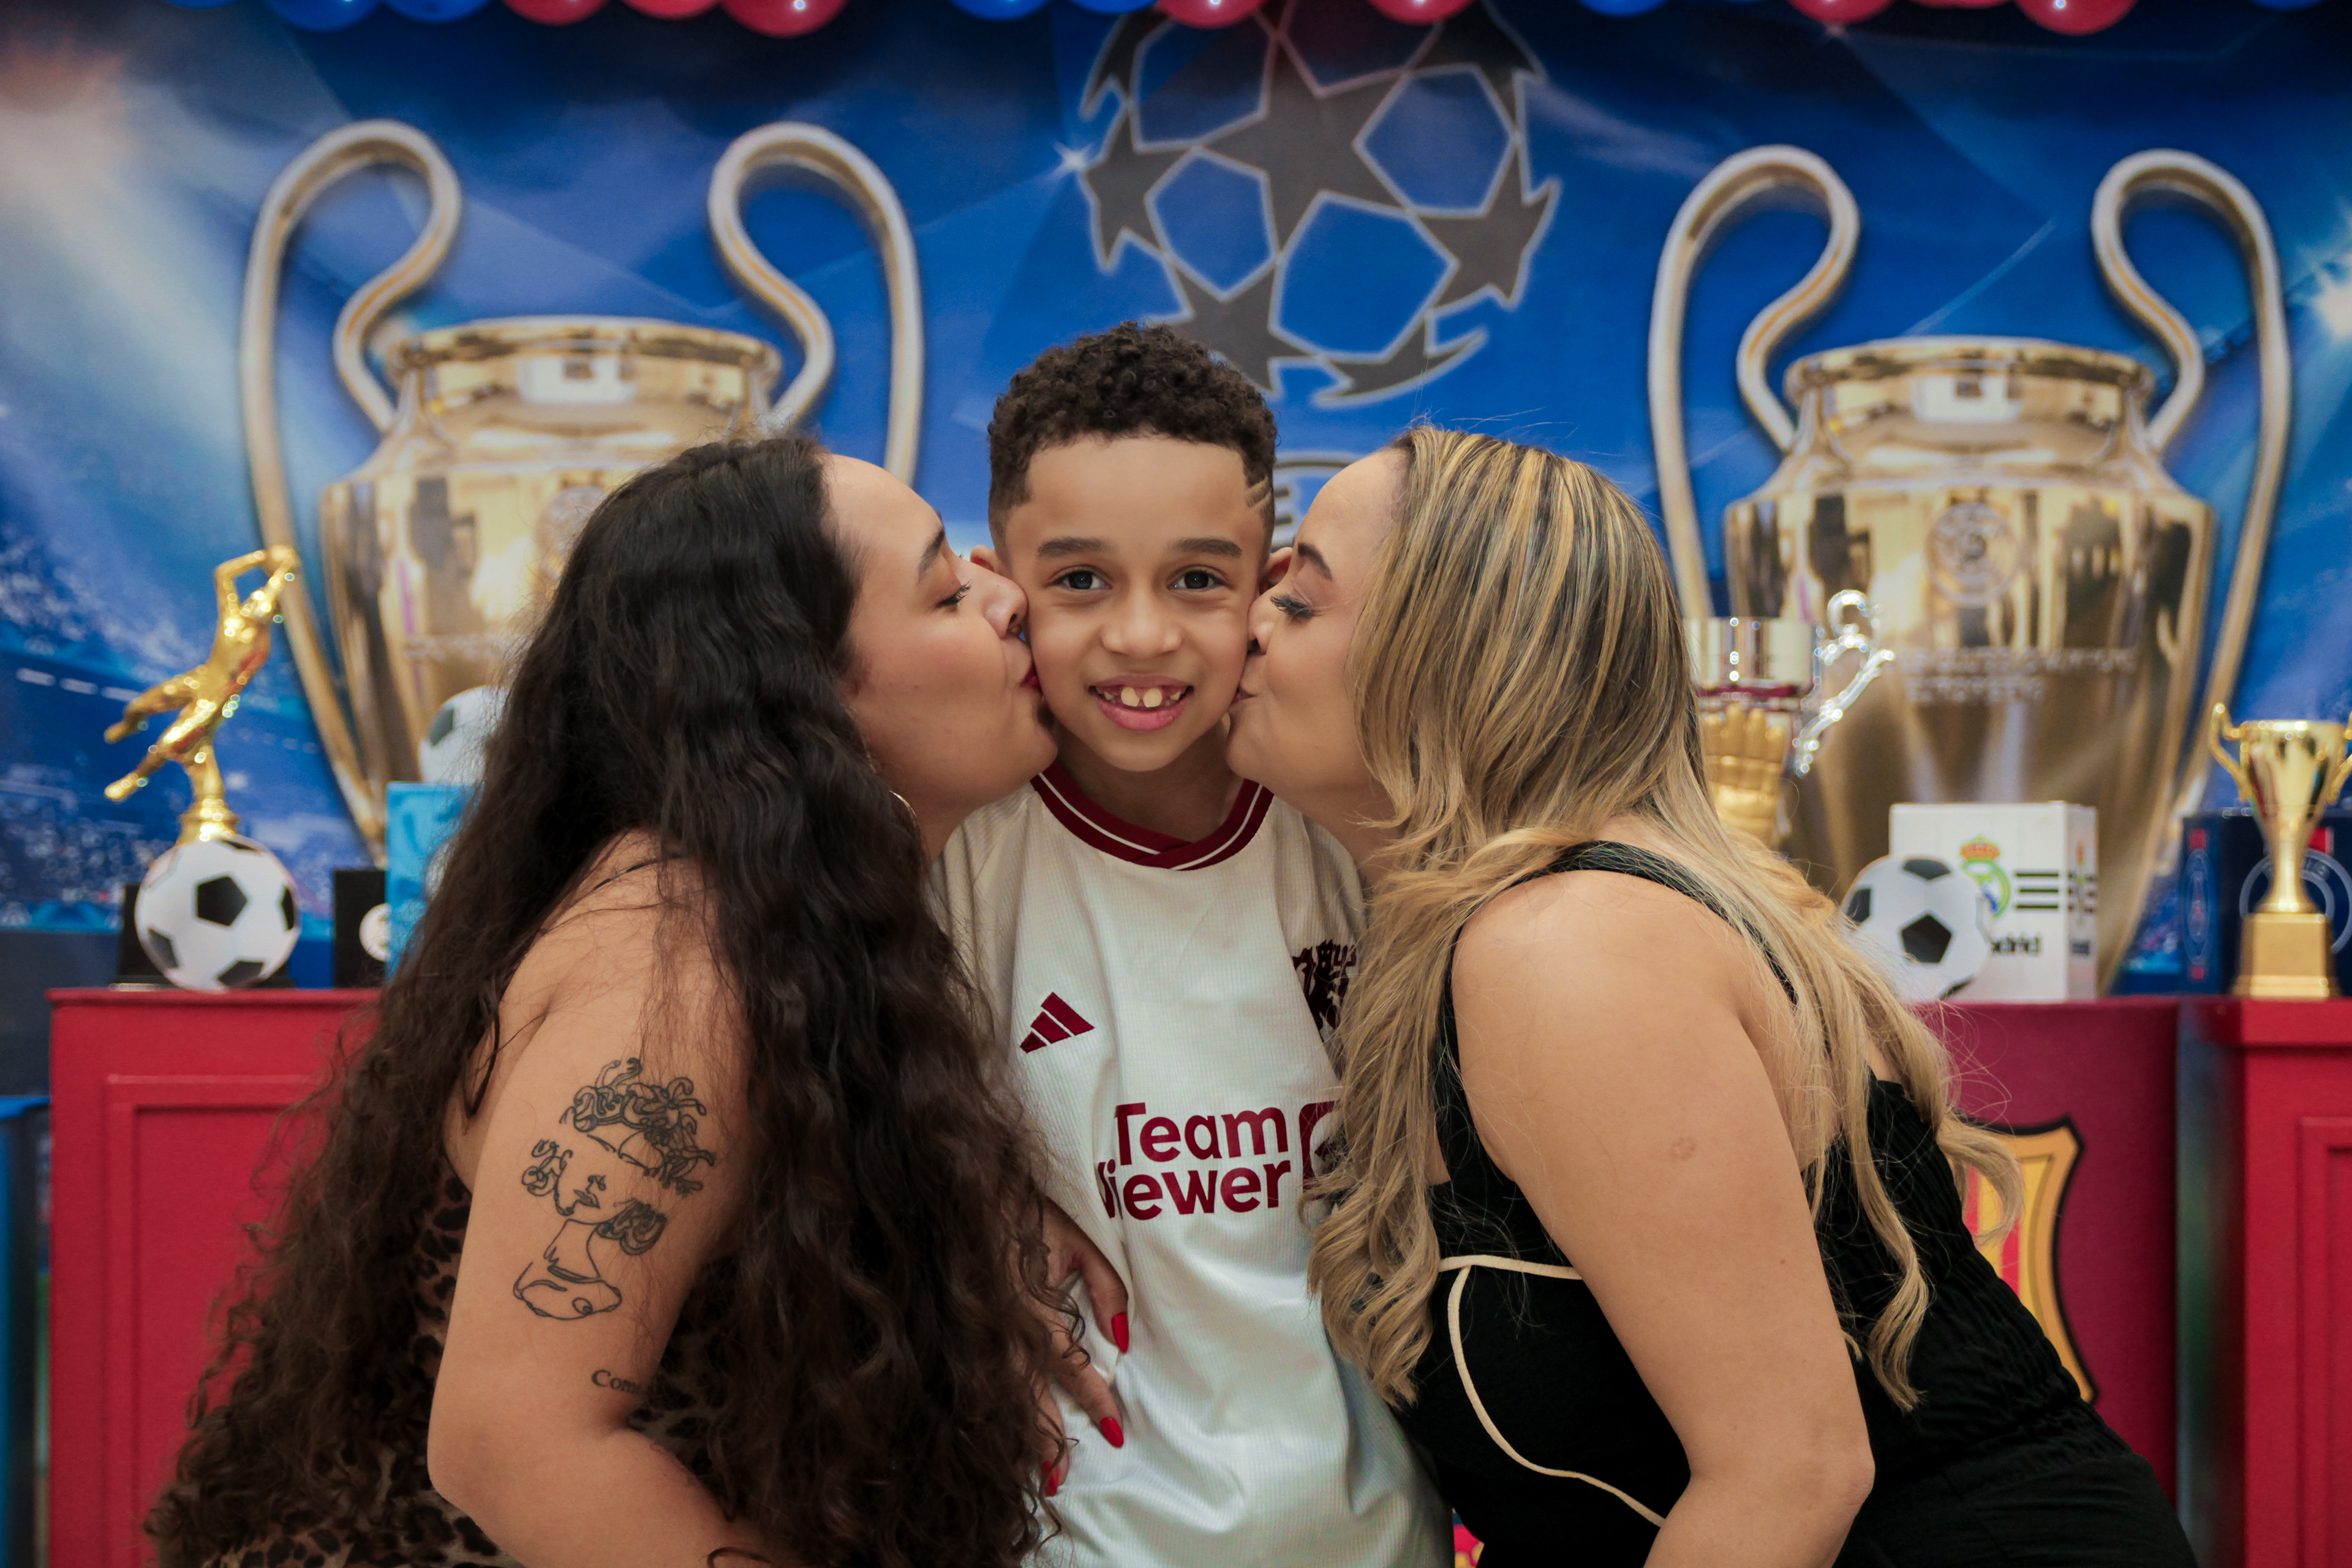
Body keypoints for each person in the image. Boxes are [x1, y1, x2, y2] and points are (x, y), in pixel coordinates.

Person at [1228, 426, 2196, 1568]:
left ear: (1450, 660)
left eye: (1299, 601)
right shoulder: (1490, 928)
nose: (1247, 622)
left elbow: (1790, 1474)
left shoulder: (1568, 948)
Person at [148, 436, 1066, 1568]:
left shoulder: (789, 919)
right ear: (808, 697)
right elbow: (513, 1449)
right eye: (947, 591)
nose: (1009, 601)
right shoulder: (681, 959)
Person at [935, 324, 1449, 1567]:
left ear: (1268, 588)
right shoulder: (957, 851)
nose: (1142, 635)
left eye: (1197, 581)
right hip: (1078, 1538)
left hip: (1382, 1535)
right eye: (1080, 580)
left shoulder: (1351, 829)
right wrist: (962, 1187)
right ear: (1000, 584)